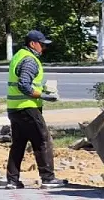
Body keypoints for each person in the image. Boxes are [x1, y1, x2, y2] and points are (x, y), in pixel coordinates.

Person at [4, 30, 68, 189]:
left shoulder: (18, 56)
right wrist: (43, 95)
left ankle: (12, 181)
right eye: (42, 45)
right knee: (42, 140)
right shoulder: (30, 60)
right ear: (32, 44)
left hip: (14, 109)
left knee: (18, 144)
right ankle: (48, 178)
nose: (43, 48)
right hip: (28, 108)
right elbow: (24, 84)